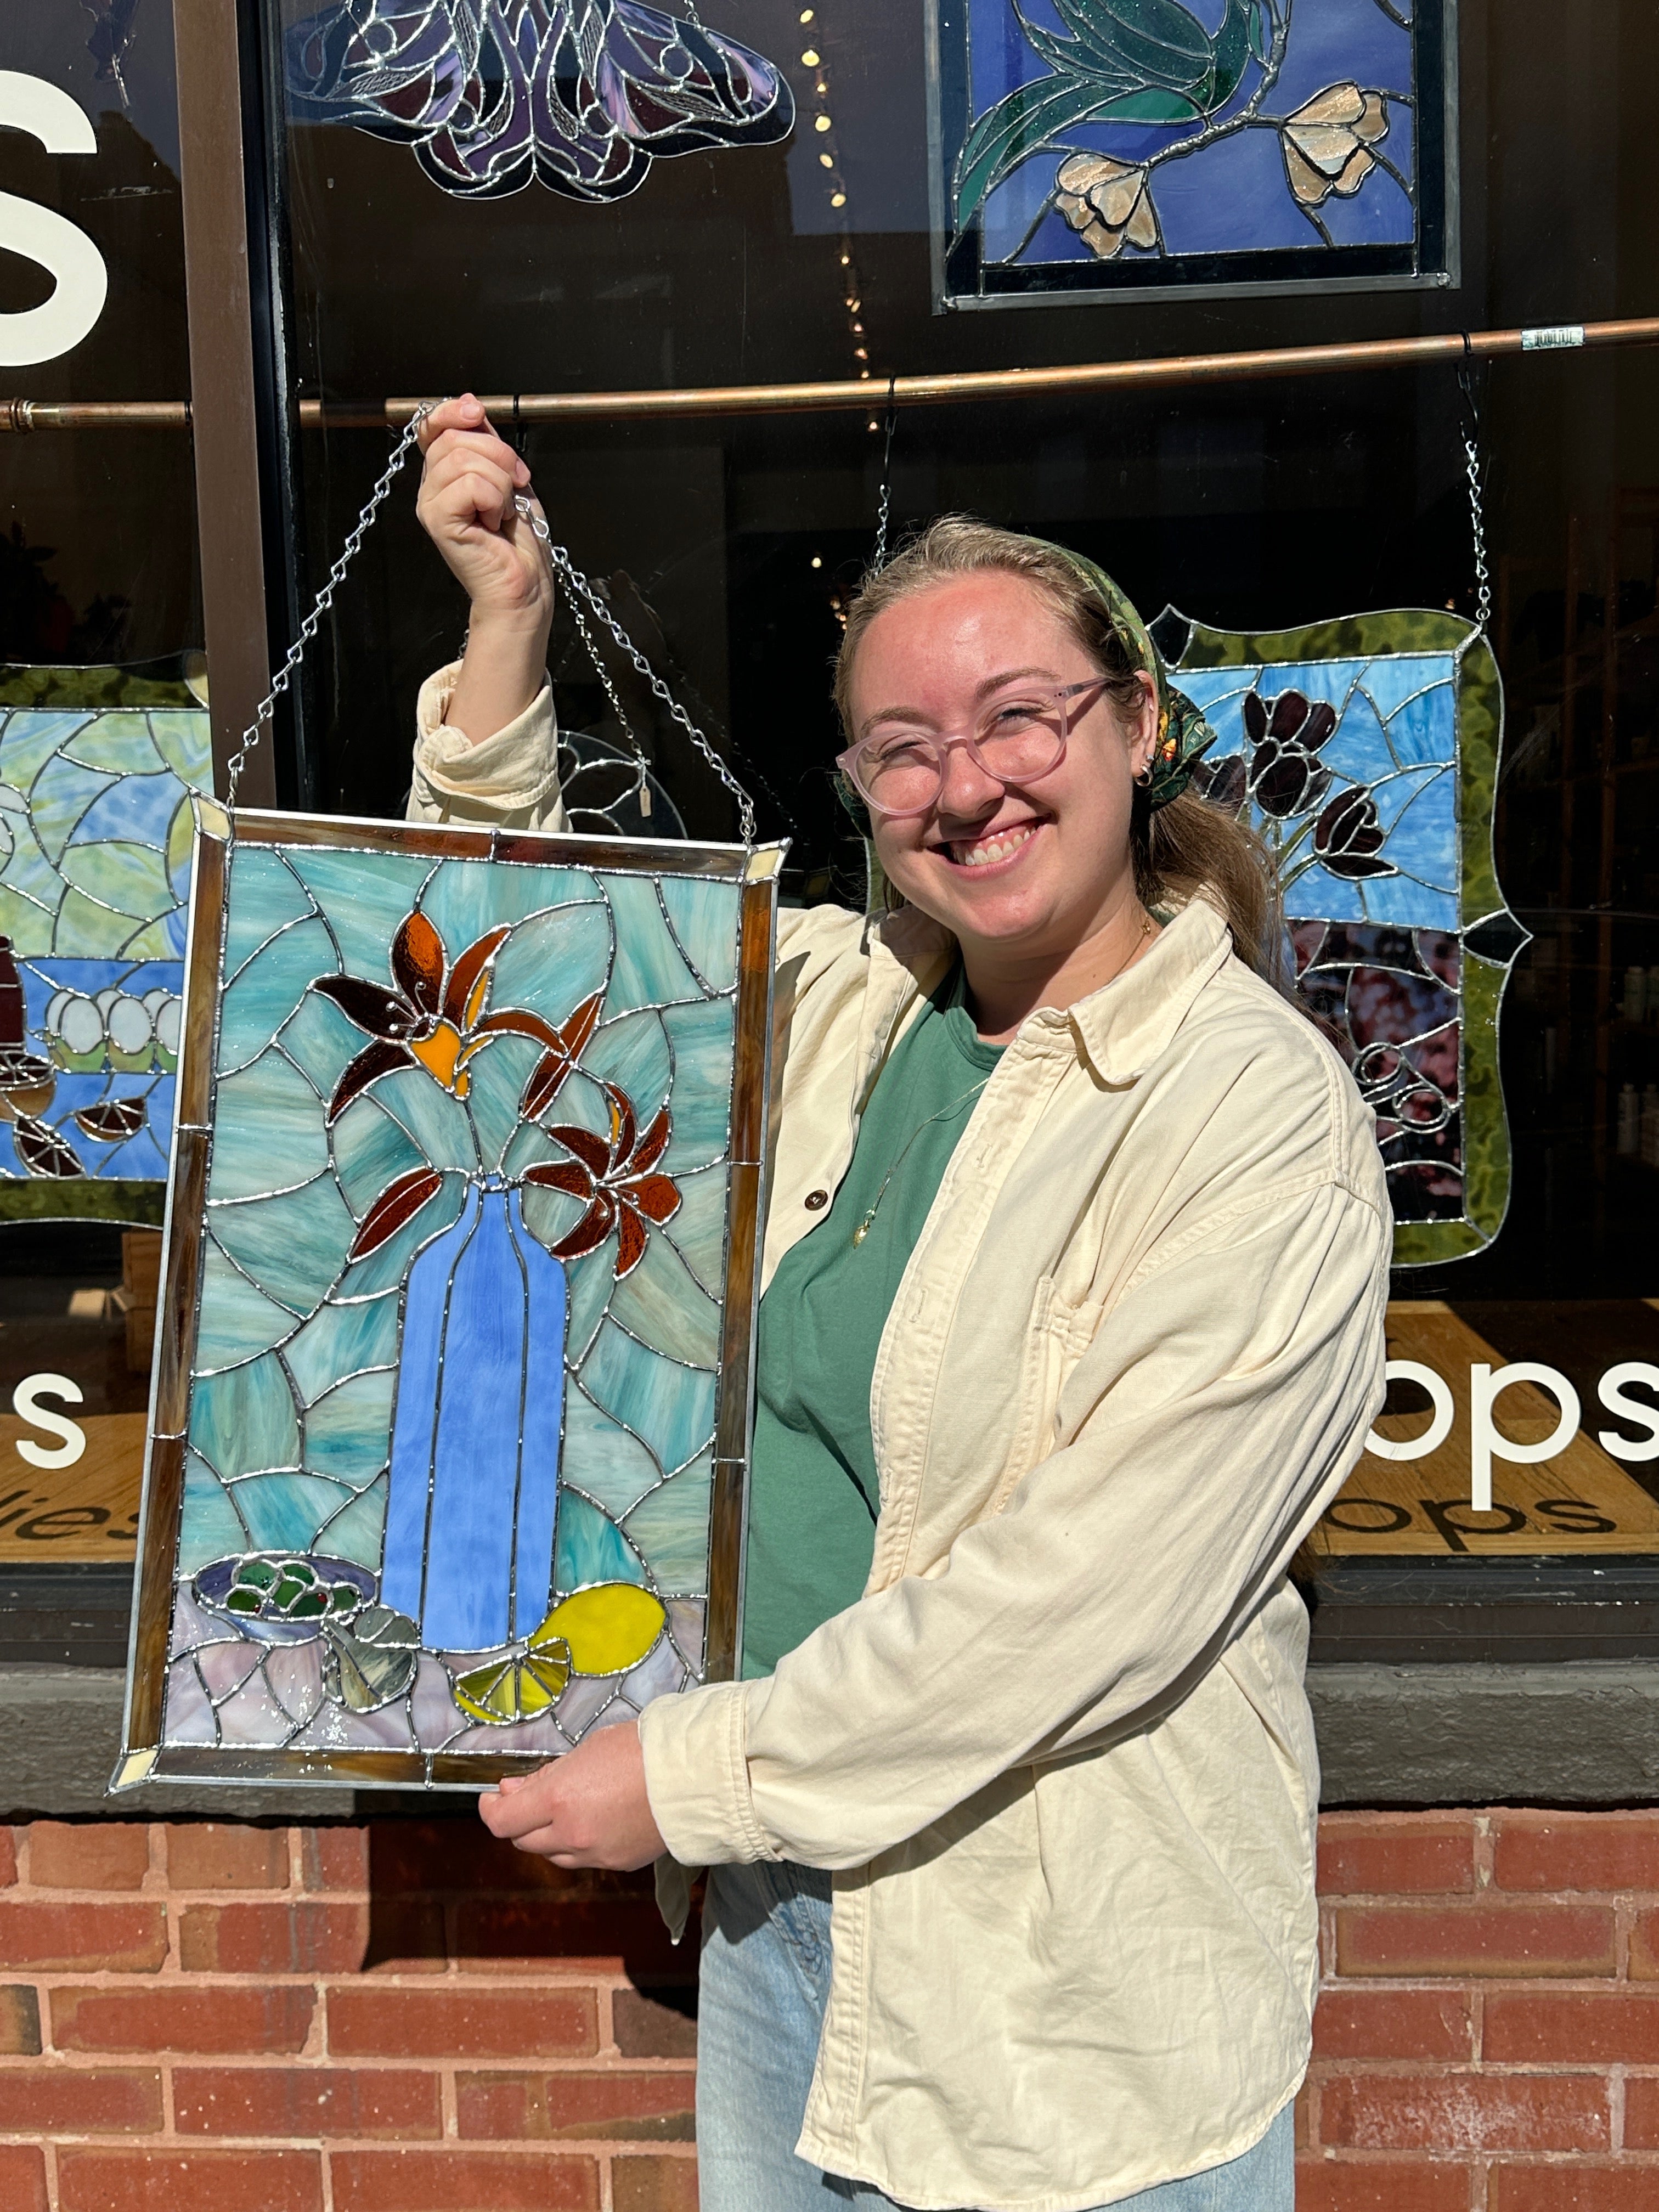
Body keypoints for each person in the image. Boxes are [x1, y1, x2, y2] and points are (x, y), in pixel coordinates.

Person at [405, 394, 1391, 2212]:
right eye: (903, 746)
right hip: (789, 1926)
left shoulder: (1254, 1113)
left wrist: (691, 1777)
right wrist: (506, 622)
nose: (968, 784)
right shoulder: (847, 1014)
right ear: (861, 787)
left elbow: (1089, 1597)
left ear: (1138, 725)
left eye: (1022, 715)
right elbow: (519, 970)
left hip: (1061, 2001)